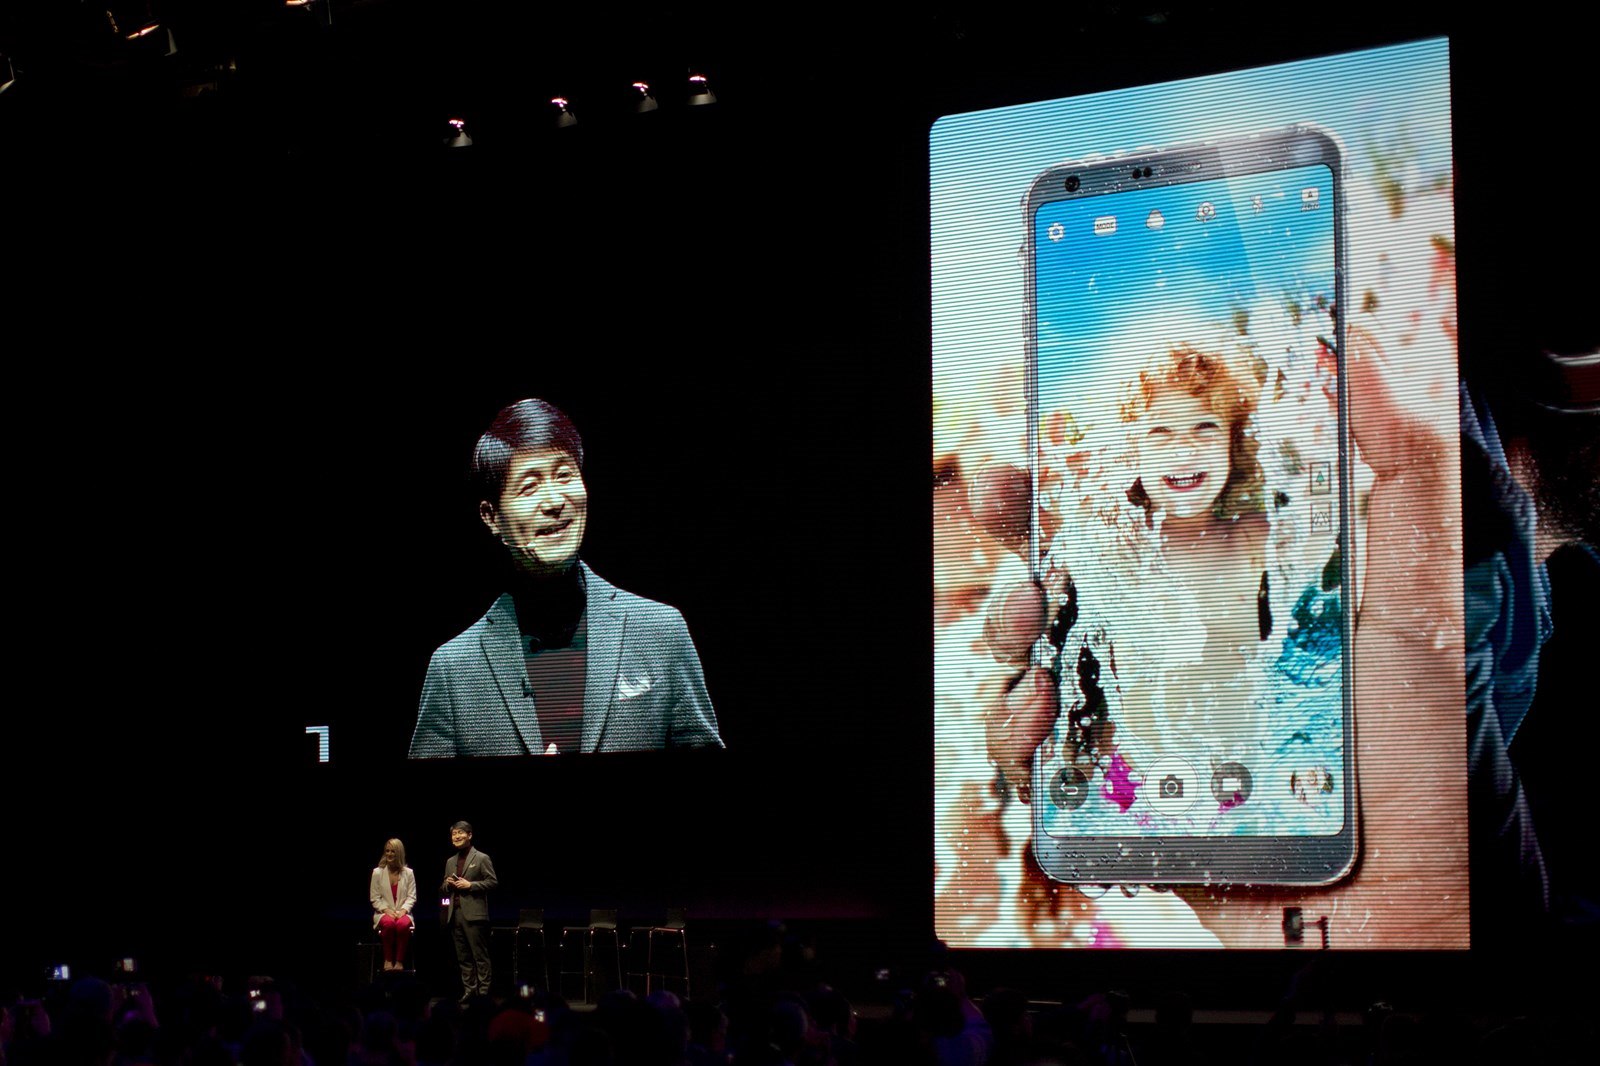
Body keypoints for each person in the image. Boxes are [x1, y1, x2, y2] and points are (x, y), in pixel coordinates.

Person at [408, 398, 723, 757]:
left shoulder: (660, 632)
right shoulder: (453, 668)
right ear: (491, 516)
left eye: (564, 475)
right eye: (529, 486)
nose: (554, 501)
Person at [443, 821, 497, 1001]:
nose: (456, 836)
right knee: (463, 956)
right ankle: (469, 990)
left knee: (480, 955)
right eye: (454, 834)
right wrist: (448, 884)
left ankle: (484, 992)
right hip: (455, 914)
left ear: (469, 835)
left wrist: (470, 885)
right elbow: (443, 887)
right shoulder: (450, 861)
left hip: (474, 914)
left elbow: (492, 882)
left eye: (460, 833)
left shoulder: (481, 858)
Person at [369, 838, 417, 972]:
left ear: (399, 853)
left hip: (403, 912)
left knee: (402, 925)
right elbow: (374, 898)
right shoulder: (377, 872)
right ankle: (388, 959)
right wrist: (386, 910)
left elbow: (411, 897)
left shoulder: (408, 873)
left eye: (393, 851)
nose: (389, 854)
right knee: (389, 924)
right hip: (383, 912)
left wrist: (403, 911)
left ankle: (399, 961)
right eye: (387, 851)